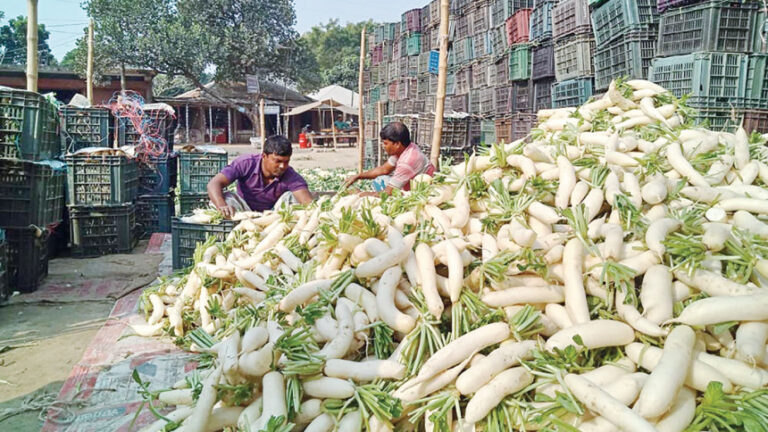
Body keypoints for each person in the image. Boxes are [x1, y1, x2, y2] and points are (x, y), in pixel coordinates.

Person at [207, 135, 313, 218]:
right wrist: (222, 205)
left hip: (273, 215)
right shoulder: (246, 163)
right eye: (278, 161)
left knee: (292, 198)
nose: (282, 166)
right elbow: (214, 184)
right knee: (225, 199)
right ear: (264, 156)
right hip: (243, 211)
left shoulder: (290, 175)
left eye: (286, 161)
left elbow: (307, 202)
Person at [345, 122, 435, 196]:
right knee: (379, 181)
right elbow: (384, 169)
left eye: (385, 143)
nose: (383, 146)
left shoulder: (407, 161)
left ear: (397, 144)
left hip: (420, 195)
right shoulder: (405, 148)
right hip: (409, 186)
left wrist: (360, 194)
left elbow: (387, 193)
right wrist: (358, 176)